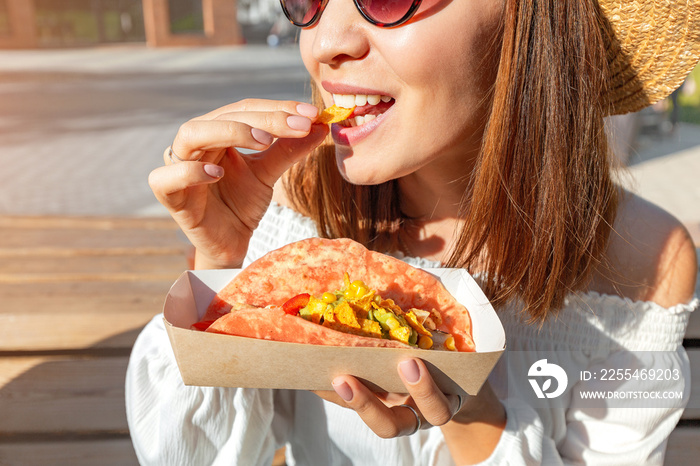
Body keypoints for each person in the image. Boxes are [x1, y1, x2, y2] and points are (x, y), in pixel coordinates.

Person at [126, 0, 700, 464]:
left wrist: (473, 413)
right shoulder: (284, 204)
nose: (326, 43)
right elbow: (187, 454)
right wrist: (222, 264)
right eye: (308, 2)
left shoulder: (645, 262)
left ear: (530, 19)